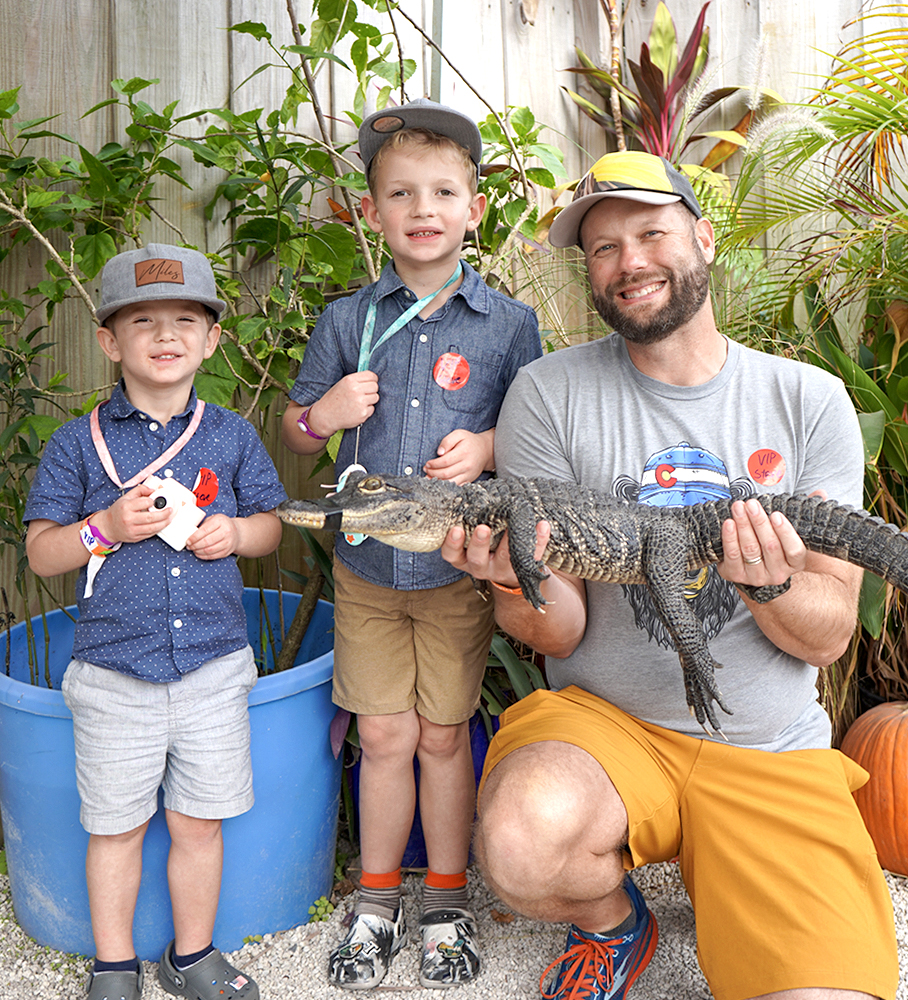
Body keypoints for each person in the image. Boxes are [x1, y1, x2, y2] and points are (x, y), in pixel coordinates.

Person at [440, 151, 900, 1000]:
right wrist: (511, 580)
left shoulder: (810, 400)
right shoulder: (545, 394)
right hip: (609, 731)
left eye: (650, 233)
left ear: (705, 237)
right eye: (604, 248)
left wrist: (768, 583)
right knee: (518, 842)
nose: (629, 262)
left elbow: (832, 633)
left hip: (766, 751)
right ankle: (617, 923)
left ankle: (734, 875)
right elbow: (562, 628)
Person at [280, 98, 543, 990]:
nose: (422, 208)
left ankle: (444, 900)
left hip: (456, 573)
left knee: (441, 735)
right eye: (400, 194)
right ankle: (377, 898)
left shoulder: (509, 327)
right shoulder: (347, 321)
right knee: (384, 737)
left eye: (442, 192)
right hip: (365, 570)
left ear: (474, 209)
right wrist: (324, 413)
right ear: (373, 213)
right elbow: (298, 434)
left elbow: (538, 436)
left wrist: (492, 447)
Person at [25, 243, 286, 1000]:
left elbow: (271, 524)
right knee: (116, 827)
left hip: (211, 667)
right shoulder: (78, 444)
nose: (165, 335)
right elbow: (43, 553)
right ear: (110, 341)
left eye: (184, 320)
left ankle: (192, 954)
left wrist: (236, 534)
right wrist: (103, 526)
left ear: (211, 339)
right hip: (113, 675)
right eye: (143, 321)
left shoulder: (232, 434)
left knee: (202, 823)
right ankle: (114, 968)